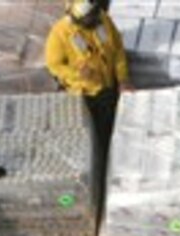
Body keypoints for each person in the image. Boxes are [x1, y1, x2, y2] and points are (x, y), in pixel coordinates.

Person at [45, 0, 132, 149]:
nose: (94, 21)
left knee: (109, 133)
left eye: (95, 17)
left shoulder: (103, 20)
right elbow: (54, 65)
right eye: (89, 20)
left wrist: (123, 78)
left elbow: (117, 50)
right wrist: (77, 74)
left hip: (108, 89)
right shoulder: (60, 33)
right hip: (83, 96)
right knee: (91, 141)